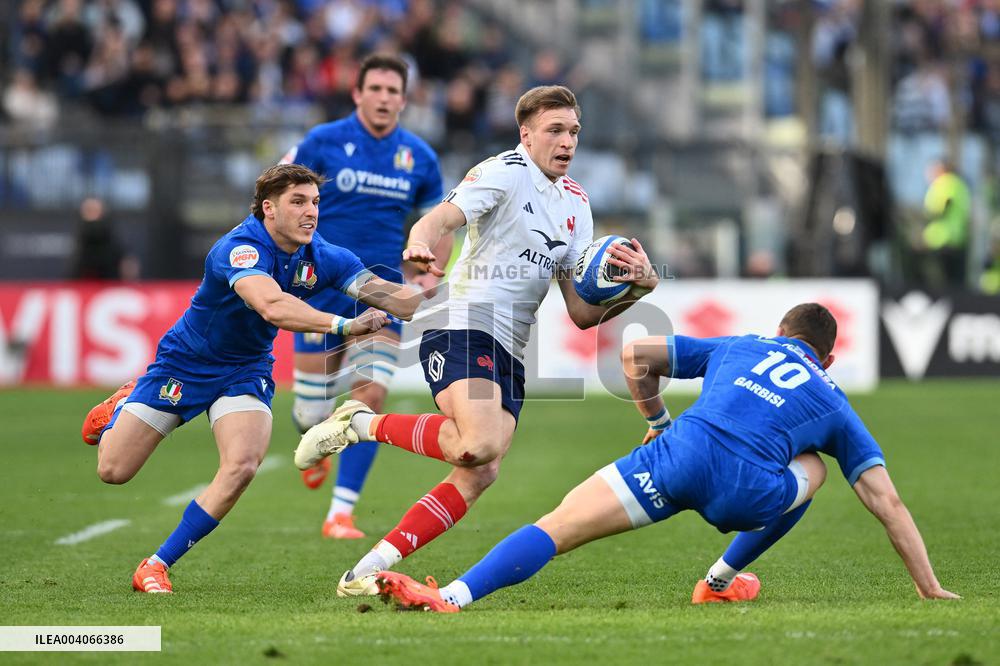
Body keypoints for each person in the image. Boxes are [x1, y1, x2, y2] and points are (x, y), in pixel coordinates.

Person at [294, 84, 660, 597]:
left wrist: (638, 290)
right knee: (479, 442)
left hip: (511, 345)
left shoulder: (577, 204)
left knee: (480, 470)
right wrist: (420, 241)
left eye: (574, 131)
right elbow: (443, 216)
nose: (567, 141)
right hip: (461, 321)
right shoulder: (504, 172)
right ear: (526, 134)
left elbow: (580, 311)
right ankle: (362, 422)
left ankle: (369, 567)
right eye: (555, 130)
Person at [374, 303, 959, 611]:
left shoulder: (742, 344)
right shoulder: (833, 400)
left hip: (676, 457)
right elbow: (887, 501)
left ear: (780, 331)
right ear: (826, 359)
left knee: (555, 526)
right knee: (816, 468)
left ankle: (451, 596)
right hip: (746, 494)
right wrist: (927, 585)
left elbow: (637, 355)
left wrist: (656, 421)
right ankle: (721, 580)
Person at [79, 164, 423, 593]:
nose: (310, 212)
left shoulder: (324, 255)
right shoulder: (240, 249)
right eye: (297, 202)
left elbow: (399, 302)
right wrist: (344, 326)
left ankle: (156, 564)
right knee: (113, 470)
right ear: (268, 209)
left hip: (246, 369)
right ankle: (123, 405)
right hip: (185, 364)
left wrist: (434, 287)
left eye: (315, 202)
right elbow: (272, 306)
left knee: (242, 465)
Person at [281, 53, 449, 540]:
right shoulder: (322, 142)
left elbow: (437, 223)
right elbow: (280, 193)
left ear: (404, 99)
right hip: (319, 287)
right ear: (357, 93)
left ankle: (341, 513)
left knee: (368, 399)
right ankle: (313, 437)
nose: (383, 98)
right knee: (311, 411)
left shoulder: (419, 156)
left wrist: (428, 273)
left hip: (380, 293)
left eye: (392, 91)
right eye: (374, 88)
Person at [917, 160, 970, 289]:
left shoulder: (946, 183)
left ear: (940, 170)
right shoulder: (959, 184)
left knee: (941, 283)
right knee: (955, 283)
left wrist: (924, 218)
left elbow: (945, 206)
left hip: (943, 240)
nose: (928, 174)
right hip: (955, 239)